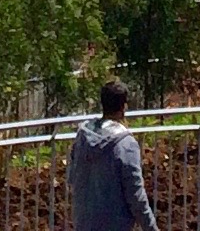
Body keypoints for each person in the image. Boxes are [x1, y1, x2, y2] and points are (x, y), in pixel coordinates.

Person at [68, 80, 159, 231]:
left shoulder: (82, 135)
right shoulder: (126, 144)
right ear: (124, 107)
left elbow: (72, 177)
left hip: (84, 223)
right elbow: (136, 195)